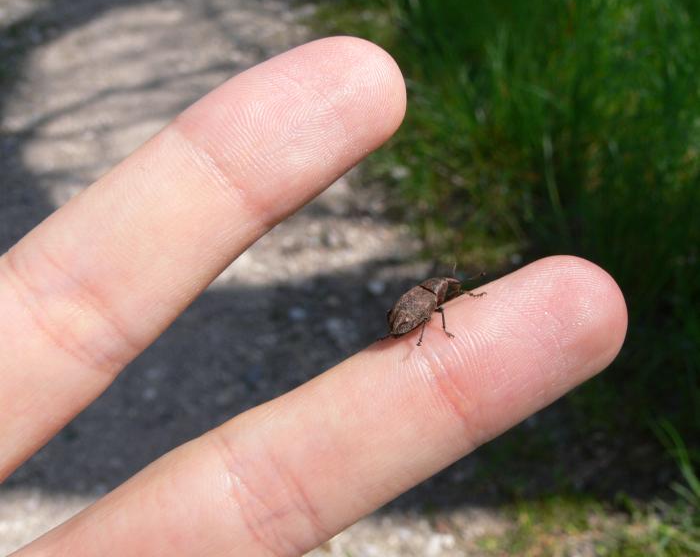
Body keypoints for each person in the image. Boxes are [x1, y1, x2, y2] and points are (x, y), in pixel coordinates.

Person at [1, 37, 627, 556]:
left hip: (401, 319)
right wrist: (425, 329)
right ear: (439, 291)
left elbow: (427, 309)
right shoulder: (430, 304)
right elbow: (429, 317)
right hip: (402, 322)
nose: (449, 292)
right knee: (423, 324)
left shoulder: (429, 296)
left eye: (449, 291)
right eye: (448, 289)